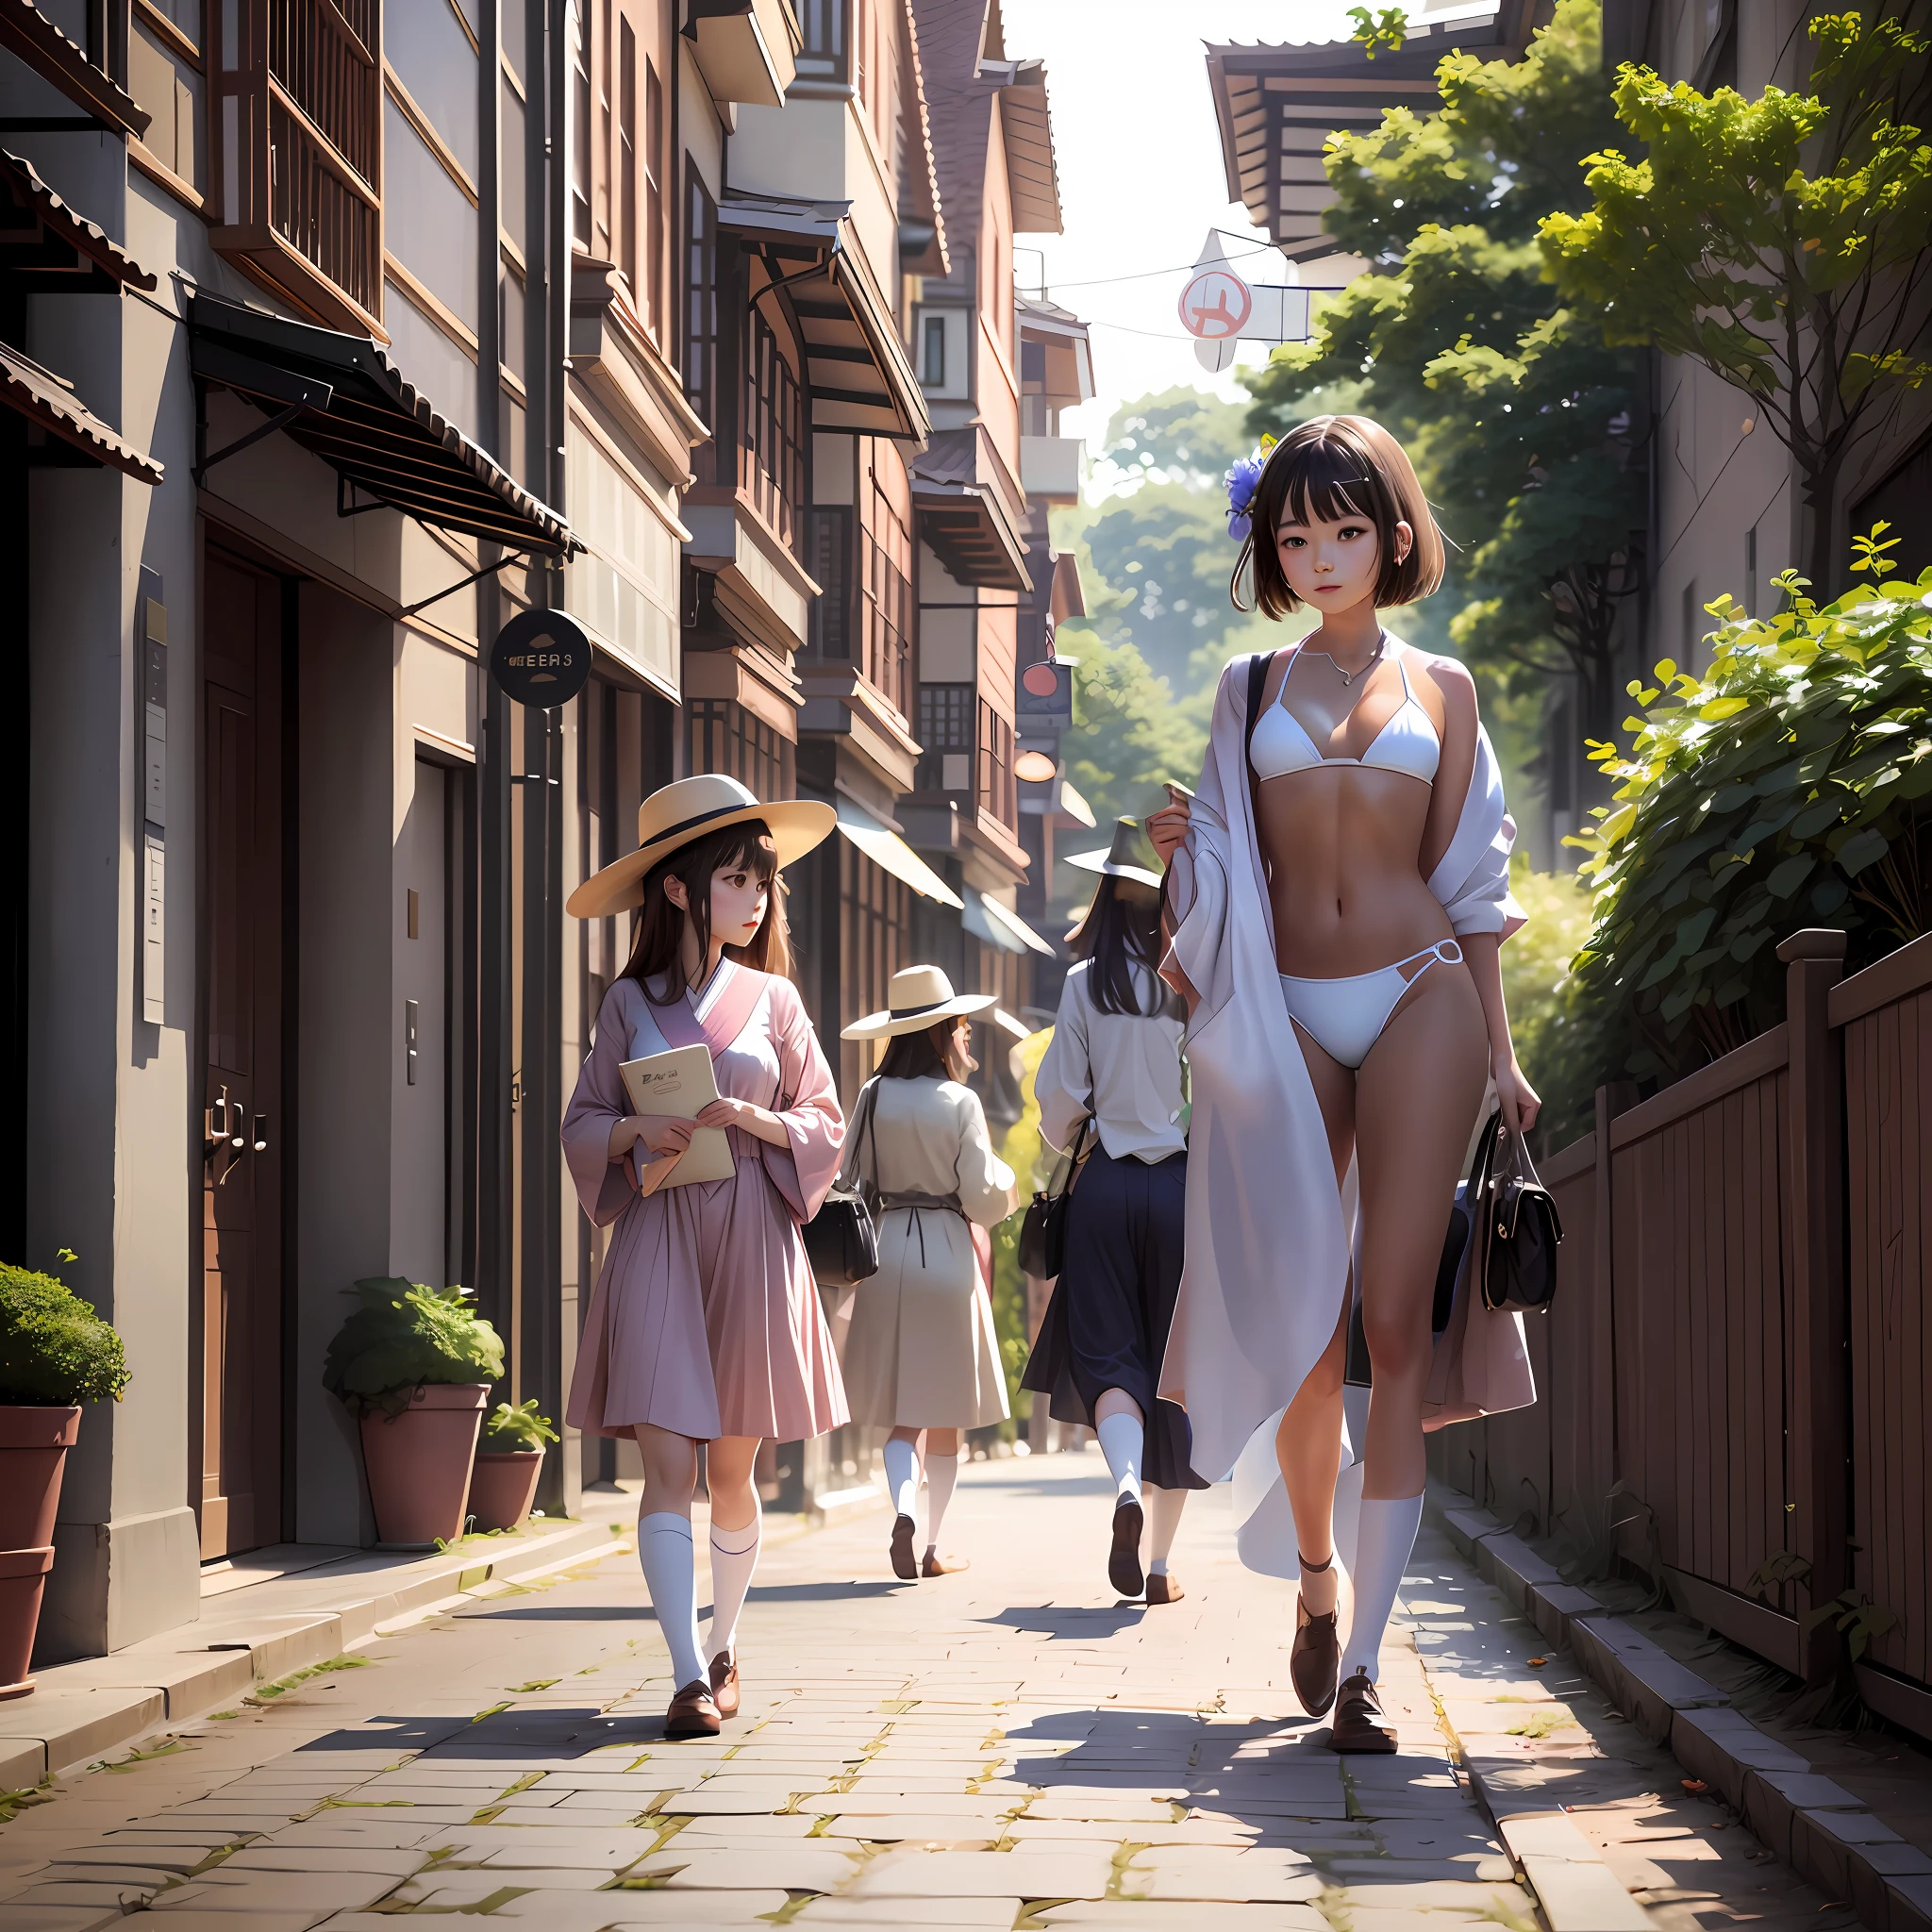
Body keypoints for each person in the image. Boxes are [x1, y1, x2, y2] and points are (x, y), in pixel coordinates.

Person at [1145, 416, 1538, 1753]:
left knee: (1394, 1336)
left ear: (1394, 535)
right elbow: (1204, 897)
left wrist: (1505, 1043)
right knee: (1308, 1330)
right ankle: (1314, 1575)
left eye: (1345, 530)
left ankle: (1365, 1667)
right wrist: (1178, 856)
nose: (1319, 556)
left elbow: (1474, 884)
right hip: (1288, 1013)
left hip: (1421, 991)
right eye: (1296, 534)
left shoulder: (1447, 690)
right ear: (1273, 547)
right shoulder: (1245, 689)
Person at [560, 774, 847, 1741]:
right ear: (678, 888)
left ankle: (724, 1641)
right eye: (737, 877)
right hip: (659, 1234)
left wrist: (752, 1116)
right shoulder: (626, 1002)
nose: (757, 897)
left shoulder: (774, 1000)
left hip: (752, 1239)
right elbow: (581, 1120)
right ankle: (685, 1673)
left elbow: (824, 1118)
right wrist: (641, 1125)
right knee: (667, 1462)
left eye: (763, 881)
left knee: (735, 1468)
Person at [1024, 818, 1207, 1605]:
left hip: (1102, 1185)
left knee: (1110, 1358)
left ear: (1104, 895)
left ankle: (1125, 1486)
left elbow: (1059, 1103)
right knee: (1177, 1370)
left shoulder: (1080, 983)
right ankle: (1161, 1569)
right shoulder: (1189, 982)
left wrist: (1078, 1131)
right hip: (1177, 1191)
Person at [832, 967, 1018, 1580]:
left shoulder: (873, 1095)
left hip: (886, 1252)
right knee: (947, 1412)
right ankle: (934, 1546)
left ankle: (903, 1510)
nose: (968, 1039)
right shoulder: (960, 1103)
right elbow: (984, 1195)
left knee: (900, 1413)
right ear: (938, 1033)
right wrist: (1010, 1190)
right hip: (946, 1252)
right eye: (961, 1029)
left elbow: (850, 1180)